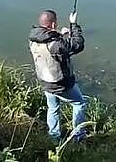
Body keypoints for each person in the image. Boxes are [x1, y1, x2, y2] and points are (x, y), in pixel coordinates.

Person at [29, 10, 86, 142]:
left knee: (53, 108)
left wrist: (61, 34)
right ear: (53, 24)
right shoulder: (55, 44)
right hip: (60, 84)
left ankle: (54, 137)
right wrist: (73, 25)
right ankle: (78, 137)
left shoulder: (33, 39)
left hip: (45, 82)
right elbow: (78, 45)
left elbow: (52, 43)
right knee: (79, 104)